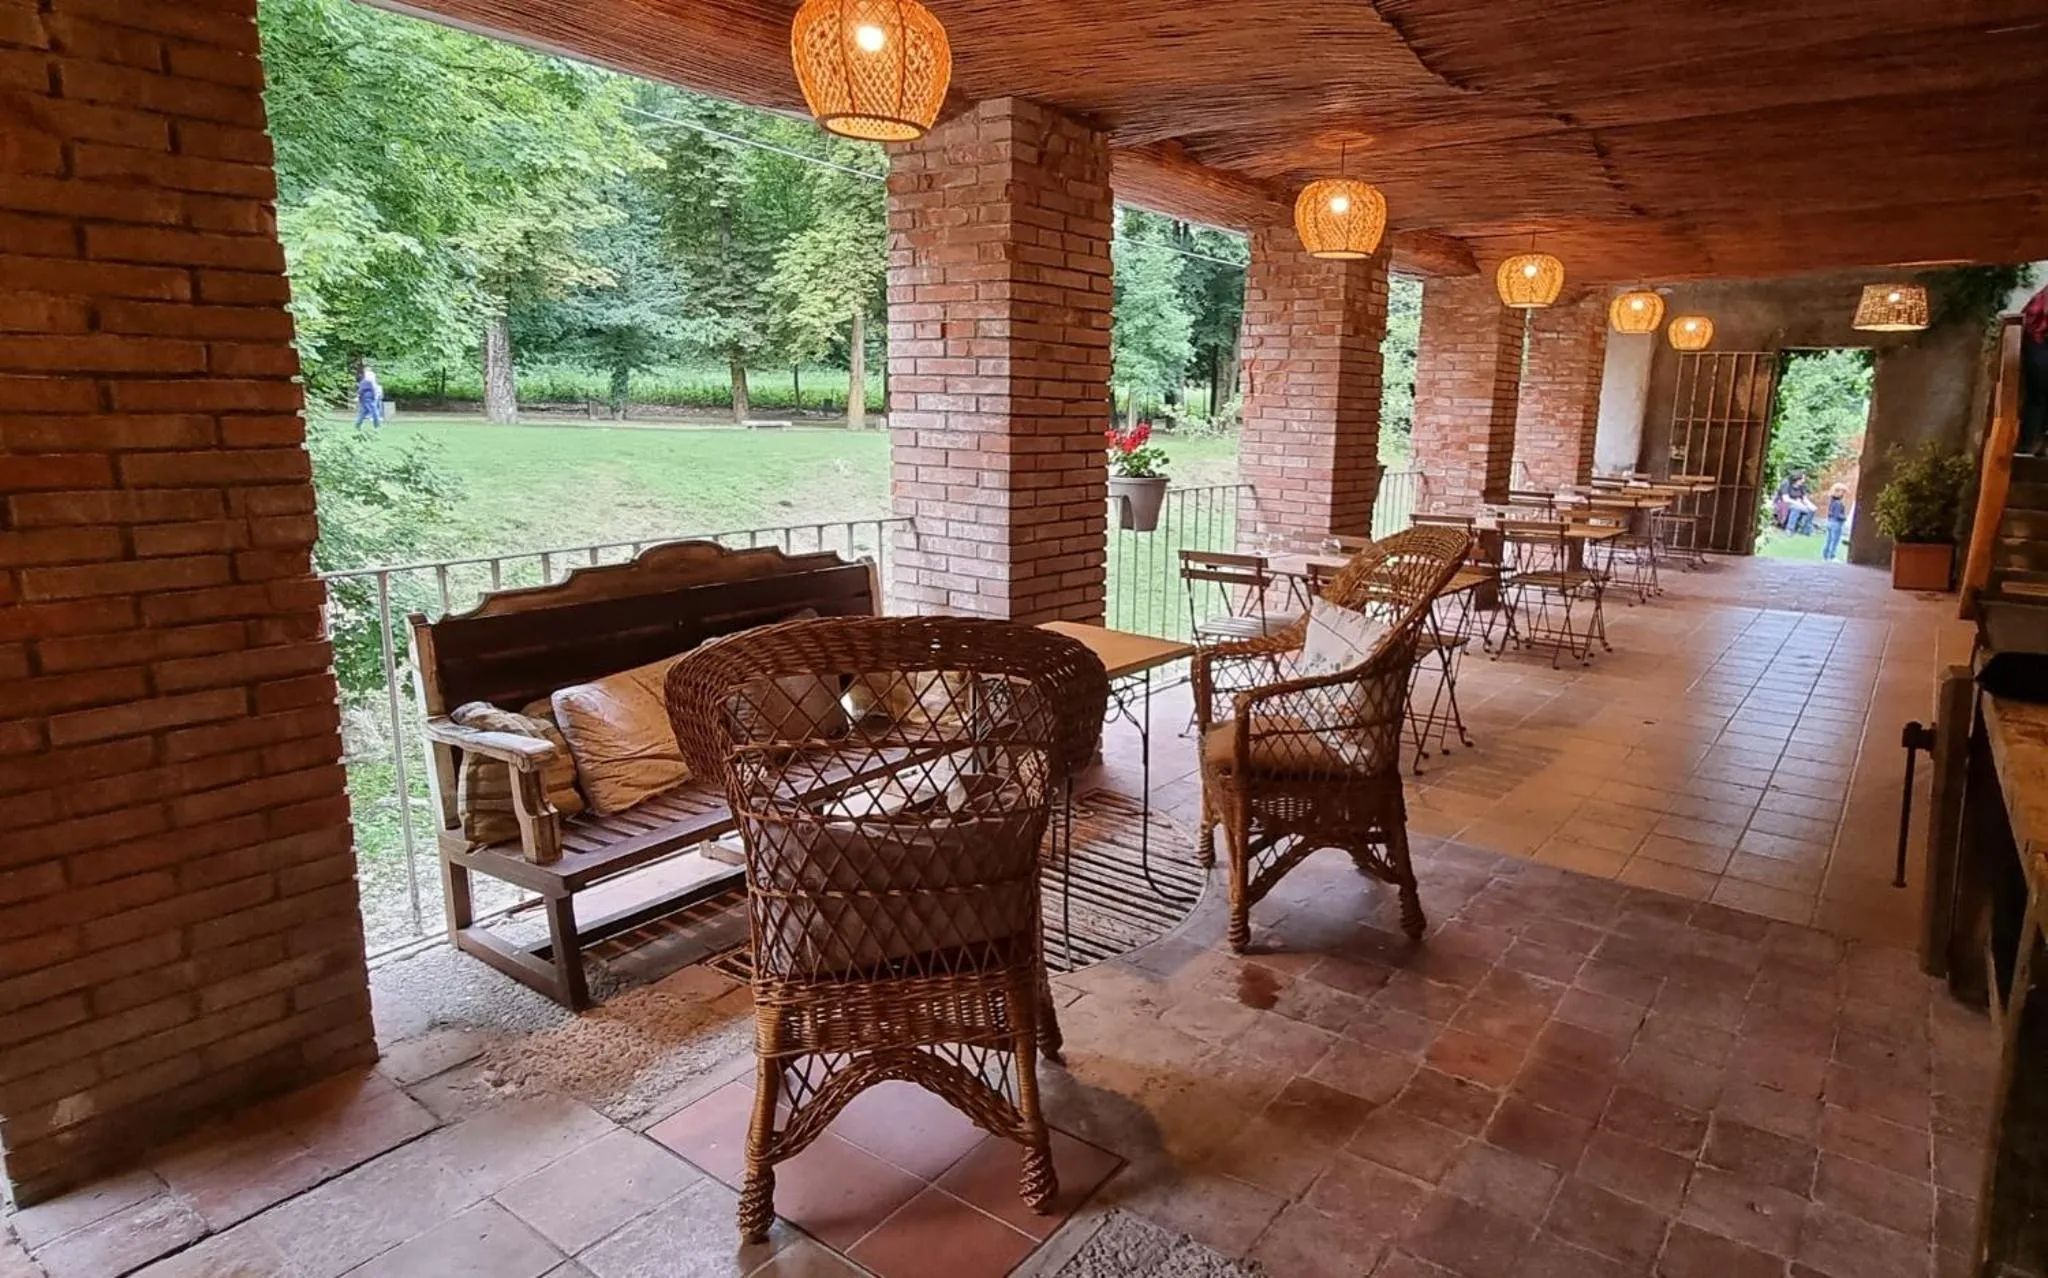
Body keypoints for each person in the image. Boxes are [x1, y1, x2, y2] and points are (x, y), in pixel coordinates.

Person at [2023, 282, 2048, 456]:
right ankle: (2031, 446)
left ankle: (2034, 446)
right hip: (2039, 343)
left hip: (2038, 344)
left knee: (2037, 399)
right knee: (2038, 397)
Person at [1822, 483, 1849, 562]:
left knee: (1828, 540)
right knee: (1835, 541)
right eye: (1843, 492)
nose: (1844, 495)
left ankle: (1825, 556)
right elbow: (1837, 515)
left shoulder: (1832, 501)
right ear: (1839, 492)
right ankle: (1832, 556)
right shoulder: (1838, 503)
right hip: (1836, 523)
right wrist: (1844, 518)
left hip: (1830, 522)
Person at [1785, 470, 1817, 535]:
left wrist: (1811, 505)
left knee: (1812, 510)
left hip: (1798, 504)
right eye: (1803, 478)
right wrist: (1796, 502)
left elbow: (1804, 499)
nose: (1804, 480)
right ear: (1797, 478)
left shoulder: (1801, 487)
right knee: (1796, 508)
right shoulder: (1787, 484)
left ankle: (1806, 529)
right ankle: (1789, 529)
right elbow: (1785, 499)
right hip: (1786, 504)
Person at [354, 364, 384, 430]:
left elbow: (362, 390)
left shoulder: (365, 379)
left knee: (364, 412)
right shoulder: (368, 379)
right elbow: (364, 389)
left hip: (368, 397)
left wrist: (359, 397)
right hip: (369, 397)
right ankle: (377, 425)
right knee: (374, 411)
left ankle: (357, 425)